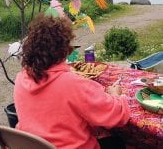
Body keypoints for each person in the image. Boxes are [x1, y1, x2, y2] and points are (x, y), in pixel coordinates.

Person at [14, 13, 130, 149]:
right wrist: (117, 95)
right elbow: (117, 115)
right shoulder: (73, 84)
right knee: (118, 142)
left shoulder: (21, 78)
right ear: (64, 49)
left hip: (33, 145)